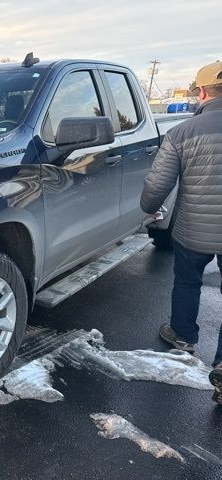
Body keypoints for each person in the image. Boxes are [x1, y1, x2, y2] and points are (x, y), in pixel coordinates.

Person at [140, 60, 222, 405]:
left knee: (187, 282)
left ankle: (184, 336)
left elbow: (157, 188)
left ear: (202, 92)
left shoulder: (181, 133)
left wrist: (149, 207)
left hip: (194, 231)